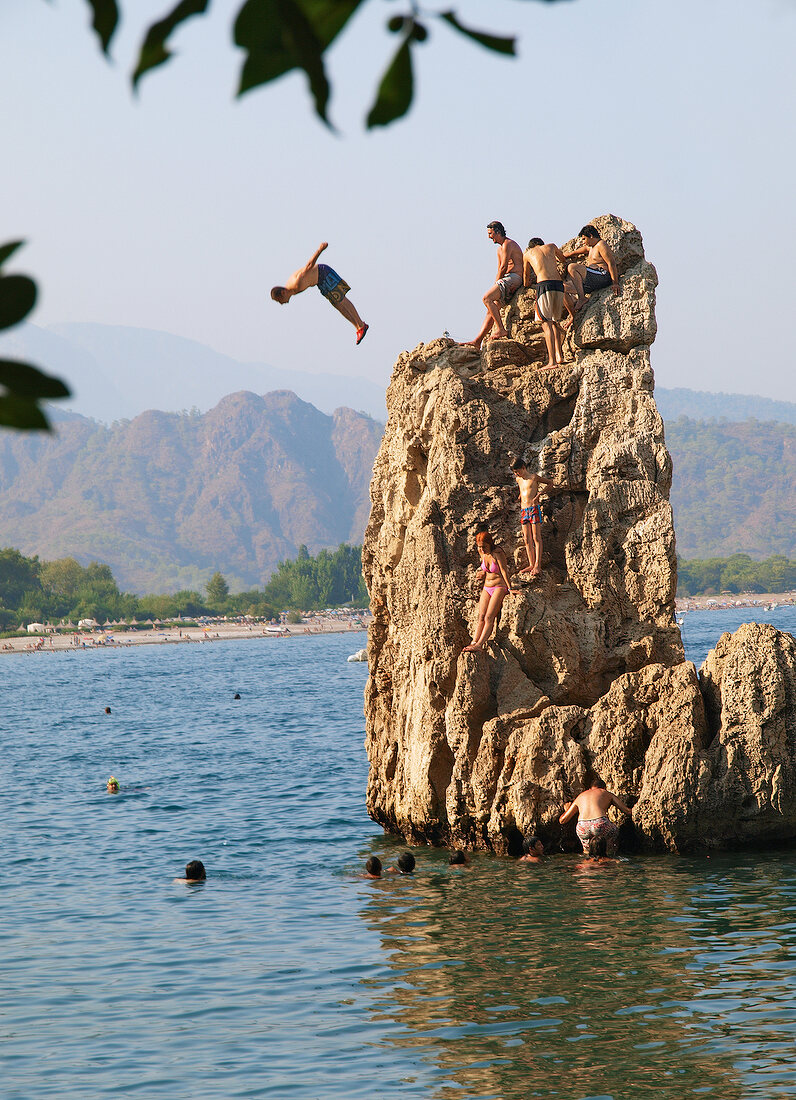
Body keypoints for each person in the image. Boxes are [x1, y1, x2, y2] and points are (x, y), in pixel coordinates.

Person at [270, 241, 368, 345]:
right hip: (319, 281)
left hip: (323, 272)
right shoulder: (291, 290)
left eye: (279, 300)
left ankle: (361, 325)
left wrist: (320, 249)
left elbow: (308, 266)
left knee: (341, 299)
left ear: (283, 292)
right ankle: (358, 327)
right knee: (337, 304)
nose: (281, 303)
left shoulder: (296, 283)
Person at [463, 221, 524, 348]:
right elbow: (499, 269)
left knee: (486, 298)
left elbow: (503, 267)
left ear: (497, 232)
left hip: (514, 278)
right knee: (491, 309)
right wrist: (496, 285)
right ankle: (477, 341)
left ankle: (501, 329)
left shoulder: (508, 244)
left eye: (491, 233)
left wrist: (496, 284)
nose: (489, 237)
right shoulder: (499, 250)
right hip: (506, 280)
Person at [463, 529, 518, 653]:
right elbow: (486, 568)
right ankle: (474, 642)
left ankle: (480, 645)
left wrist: (510, 589)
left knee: (489, 617)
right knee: (481, 616)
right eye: (480, 547)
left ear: (490, 544)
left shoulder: (498, 553)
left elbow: (504, 571)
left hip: (499, 587)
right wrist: (482, 572)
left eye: (484, 547)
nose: (482, 549)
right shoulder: (481, 552)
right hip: (487, 587)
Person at [522, 238, 569, 368]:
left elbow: (525, 278)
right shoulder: (552, 246)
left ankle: (552, 361)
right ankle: (559, 356)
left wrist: (528, 283)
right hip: (558, 284)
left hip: (544, 285)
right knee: (554, 321)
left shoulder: (528, 254)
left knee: (546, 324)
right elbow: (563, 259)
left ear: (531, 246)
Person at [558, 777, 632, 857]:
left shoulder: (581, 796)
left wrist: (567, 809)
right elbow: (627, 811)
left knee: (587, 852)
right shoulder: (606, 793)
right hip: (600, 823)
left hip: (582, 826)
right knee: (613, 836)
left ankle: (588, 864)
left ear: (590, 788)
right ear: (604, 788)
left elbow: (562, 820)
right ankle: (610, 858)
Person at [511, 457, 560, 577]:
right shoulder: (518, 479)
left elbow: (550, 483)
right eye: (515, 472)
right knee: (527, 539)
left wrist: (540, 494)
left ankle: (537, 564)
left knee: (536, 537)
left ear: (523, 467)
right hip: (524, 510)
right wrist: (519, 497)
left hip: (533, 509)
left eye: (518, 471)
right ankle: (531, 564)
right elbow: (523, 490)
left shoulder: (533, 477)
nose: (517, 474)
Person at [562, 225, 620, 323]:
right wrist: (568, 255)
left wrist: (615, 283)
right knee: (560, 287)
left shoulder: (601, 245)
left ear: (591, 236)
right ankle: (573, 316)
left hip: (602, 276)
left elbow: (611, 263)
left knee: (572, 267)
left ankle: (582, 298)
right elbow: (581, 250)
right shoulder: (591, 247)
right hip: (591, 281)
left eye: (584, 239)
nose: (583, 241)